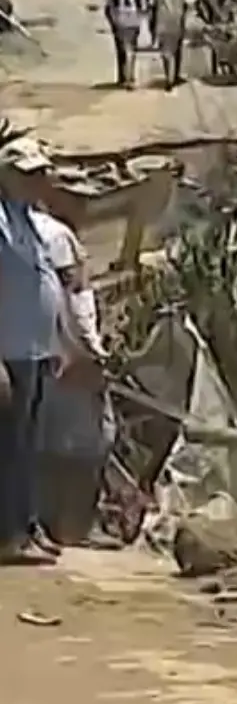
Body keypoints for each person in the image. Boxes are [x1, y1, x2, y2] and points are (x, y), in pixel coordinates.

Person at [0, 134, 82, 565]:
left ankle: (27, 525)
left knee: (29, 446)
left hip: (35, 349)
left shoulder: (32, 222)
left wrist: (60, 342)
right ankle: (8, 534)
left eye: (40, 174)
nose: (37, 181)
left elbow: (47, 283)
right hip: (8, 351)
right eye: (28, 175)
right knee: (9, 447)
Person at [27, 203, 113, 549]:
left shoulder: (26, 231)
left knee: (44, 439)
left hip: (38, 350)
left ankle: (47, 523)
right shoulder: (58, 236)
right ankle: (75, 527)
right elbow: (75, 299)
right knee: (91, 440)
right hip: (67, 353)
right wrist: (89, 351)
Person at [150, 0, 193, 89]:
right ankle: (175, 76)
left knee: (165, 51)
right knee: (177, 49)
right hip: (178, 21)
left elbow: (151, 5)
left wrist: (151, 24)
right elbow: (189, 4)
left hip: (162, 21)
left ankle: (169, 77)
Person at [104, 0, 147, 88]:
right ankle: (130, 76)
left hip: (119, 21)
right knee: (132, 49)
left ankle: (122, 77)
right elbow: (143, 8)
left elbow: (109, 7)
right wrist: (140, 20)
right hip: (133, 21)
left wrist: (112, 21)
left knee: (121, 49)